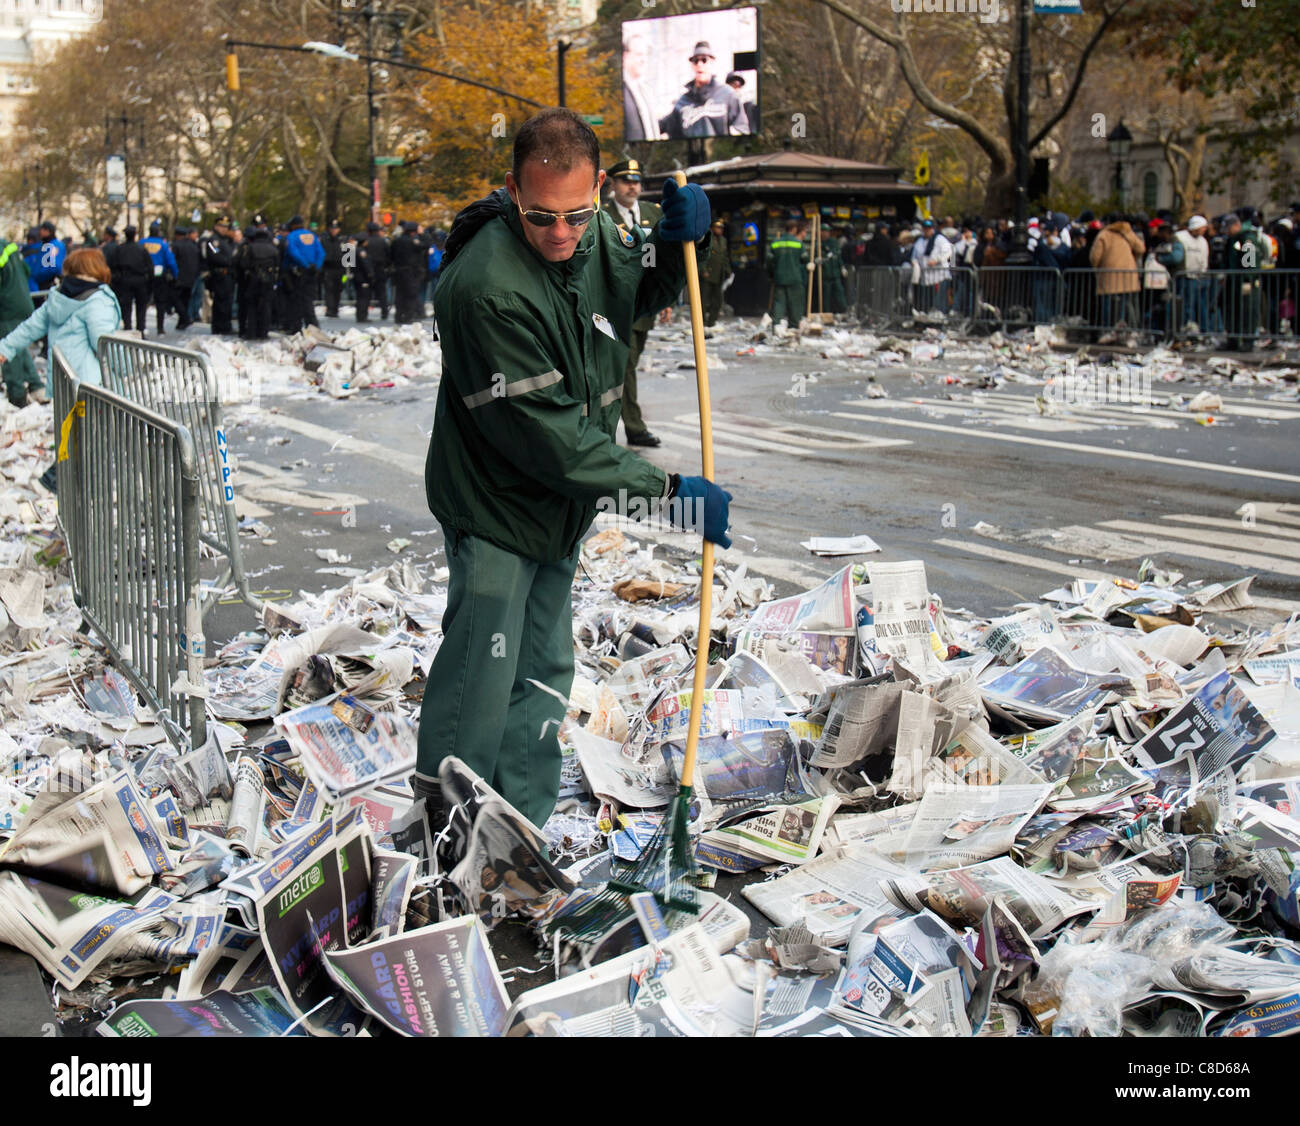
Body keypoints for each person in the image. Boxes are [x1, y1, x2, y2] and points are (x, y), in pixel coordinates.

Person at [413, 108, 730, 835]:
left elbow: (640, 283)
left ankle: (519, 824)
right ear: (510, 191)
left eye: (577, 215)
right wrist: (672, 496)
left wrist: (685, 241)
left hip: (560, 510)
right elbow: (551, 442)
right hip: (495, 504)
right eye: (540, 216)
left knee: (542, 671)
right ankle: (445, 825)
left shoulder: (593, 240)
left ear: (598, 193)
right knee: (481, 674)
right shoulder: (485, 290)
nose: (561, 234)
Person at [601, 158, 666, 447]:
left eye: (636, 181)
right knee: (622, 367)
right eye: (626, 180)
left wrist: (666, 297)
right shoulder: (601, 215)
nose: (632, 186)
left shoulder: (655, 213)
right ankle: (632, 427)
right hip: (612, 306)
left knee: (626, 367)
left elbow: (664, 261)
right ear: (612, 184)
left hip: (644, 306)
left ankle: (605, 427)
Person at [0, 248, 121, 389]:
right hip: (90, 384)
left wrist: (5, 348)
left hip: (60, 380)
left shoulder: (57, 297)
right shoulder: (97, 300)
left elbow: (30, 328)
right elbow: (103, 341)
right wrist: (126, 368)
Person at [659, 41, 748, 139]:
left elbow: (742, 129)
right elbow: (662, 127)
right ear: (692, 65)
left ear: (712, 62)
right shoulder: (682, 103)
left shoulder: (728, 95)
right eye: (695, 61)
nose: (699, 64)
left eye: (704, 60)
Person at [1089, 212, 1144, 333]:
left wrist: (1097, 268)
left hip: (1108, 276)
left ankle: (1108, 332)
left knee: (1108, 308)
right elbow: (1141, 248)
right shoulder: (1128, 232)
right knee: (1127, 307)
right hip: (1128, 276)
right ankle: (1130, 331)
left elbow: (1095, 257)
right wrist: (1133, 258)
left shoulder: (1104, 234)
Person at [0, 237, 39, 406]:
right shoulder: (9, 246)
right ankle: (36, 385)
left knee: (8, 351)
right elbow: (27, 270)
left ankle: (17, 395)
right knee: (19, 345)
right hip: (22, 300)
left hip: (8, 306)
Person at [1220, 212, 1262, 352]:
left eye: (1228, 228)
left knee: (1247, 311)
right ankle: (1233, 339)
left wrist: (1247, 279)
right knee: (1233, 310)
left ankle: (1248, 340)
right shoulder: (1232, 239)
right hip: (1233, 281)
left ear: (1237, 225)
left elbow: (1250, 262)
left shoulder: (1247, 239)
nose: (1227, 232)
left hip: (1246, 282)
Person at [234, 218, 278, 340]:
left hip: (252, 281)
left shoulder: (249, 247)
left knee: (251, 307)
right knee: (266, 306)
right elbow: (277, 264)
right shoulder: (273, 248)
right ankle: (263, 331)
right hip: (268, 281)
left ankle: (250, 331)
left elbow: (243, 263)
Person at [280, 214, 325, 333]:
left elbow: (293, 252)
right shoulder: (312, 235)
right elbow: (321, 252)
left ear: (293, 226)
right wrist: (316, 266)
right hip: (312, 272)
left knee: (296, 301)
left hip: (297, 273)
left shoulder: (292, 236)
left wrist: (305, 265)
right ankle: (313, 326)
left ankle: (296, 327)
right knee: (309, 300)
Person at [109, 225, 153, 332]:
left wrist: (117, 279)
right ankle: (140, 329)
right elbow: (150, 266)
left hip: (125, 280)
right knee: (141, 306)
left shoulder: (119, 249)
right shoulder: (141, 249)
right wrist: (149, 282)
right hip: (139, 280)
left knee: (126, 306)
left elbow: (113, 266)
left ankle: (128, 327)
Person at [140, 220, 179, 336]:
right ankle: (160, 328)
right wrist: (175, 275)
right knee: (160, 303)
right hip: (159, 276)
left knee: (143, 302)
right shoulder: (163, 244)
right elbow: (170, 261)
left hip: (145, 276)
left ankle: (141, 326)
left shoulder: (142, 243)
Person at [766, 220, 808, 328]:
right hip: (794, 279)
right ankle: (793, 327)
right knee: (795, 305)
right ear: (794, 229)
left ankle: (776, 326)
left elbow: (769, 261)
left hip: (779, 278)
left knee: (779, 303)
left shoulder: (775, 243)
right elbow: (805, 260)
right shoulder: (798, 244)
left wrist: (771, 275)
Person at [203, 217, 237, 336]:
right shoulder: (213, 241)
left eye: (226, 227)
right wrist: (229, 261)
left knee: (227, 301)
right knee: (221, 301)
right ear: (217, 226)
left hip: (228, 275)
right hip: (219, 274)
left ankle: (225, 325)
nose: (224, 229)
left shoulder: (227, 241)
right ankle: (220, 326)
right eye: (222, 227)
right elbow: (215, 255)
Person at [621, 33, 658, 142]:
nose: (644, 60)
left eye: (645, 55)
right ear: (625, 56)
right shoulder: (620, 91)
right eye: (639, 54)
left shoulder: (645, 90)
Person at [910, 217, 952, 312]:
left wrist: (937, 260)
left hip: (939, 276)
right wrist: (914, 263)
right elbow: (914, 256)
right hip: (925, 278)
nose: (927, 230)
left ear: (933, 228)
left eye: (929, 228)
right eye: (925, 228)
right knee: (927, 303)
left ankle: (938, 322)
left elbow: (949, 251)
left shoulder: (940, 239)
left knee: (939, 303)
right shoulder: (919, 241)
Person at [390, 220, 426, 324]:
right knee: (411, 294)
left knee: (399, 294)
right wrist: (422, 234)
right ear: (413, 232)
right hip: (411, 271)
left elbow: (391, 255)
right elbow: (425, 245)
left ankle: (398, 315)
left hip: (399, 270)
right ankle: (409, 316)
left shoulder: (397, 241)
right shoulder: (413, 241)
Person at [355, 221, 390, 322]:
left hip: (365, 271)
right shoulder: (383, 241)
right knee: (382, 293)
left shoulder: (365, 242)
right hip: (380, 269)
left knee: (365, 294)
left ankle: (363, 313)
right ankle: (384, 312)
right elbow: (388, 255)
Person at [700, 217, 731, 327]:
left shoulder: (723, 240)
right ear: (712, 228)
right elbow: (702, 255)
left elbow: (724, 256)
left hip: (719, 274)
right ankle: (702, 321)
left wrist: (728, 270)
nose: (720, 230)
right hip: (708, 272)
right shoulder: (707, 238)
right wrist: (703, 270)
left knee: (718, 300)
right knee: (703, 300)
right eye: (718, 227)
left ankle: (712, 321)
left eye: (721, 228)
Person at [170, 226, 200, 331]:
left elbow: (172, 261)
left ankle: (185, 318)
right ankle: (181, 322)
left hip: (179, 277)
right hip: (191, 277)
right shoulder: (194, 245)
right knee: (185, 300)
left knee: (175, 299)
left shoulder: (175, 245)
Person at [321, 218, 346, 318]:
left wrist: (349, 270)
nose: (334, 230)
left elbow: (349, 256)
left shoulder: (344, 239)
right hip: (328, 268)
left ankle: (335, 308)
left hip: (340, 268)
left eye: (336, 229)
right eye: (332, 228)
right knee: (329, 289)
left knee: (338, 289)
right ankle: (330, 309)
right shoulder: (324, 239)